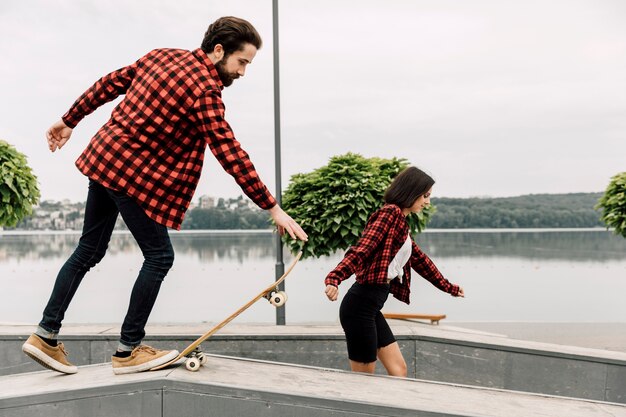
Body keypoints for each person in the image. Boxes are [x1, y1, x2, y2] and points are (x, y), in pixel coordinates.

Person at [22, 16, 308, 375]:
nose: (243, 72)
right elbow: (229, 151)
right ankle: (128, 351)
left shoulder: (161, 56)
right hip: (132, 177)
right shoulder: (205, 89)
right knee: (159, 257)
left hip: (105, 158)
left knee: (89, 250)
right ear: (218, 51)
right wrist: (272, 207)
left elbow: (108, 84)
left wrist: (69, 120)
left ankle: (44, 335)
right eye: (242, 62)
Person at [324, 166, 464, 377]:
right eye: (425, 196)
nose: (427, 202)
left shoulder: (400, 223)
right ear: (411, 191)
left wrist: (450, 288)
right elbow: (362, 249)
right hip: (359, 308)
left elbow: (421, 261)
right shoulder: (389, 214)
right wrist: (335, 278)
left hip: (370, 308)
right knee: (363, 380)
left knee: (399, 370)